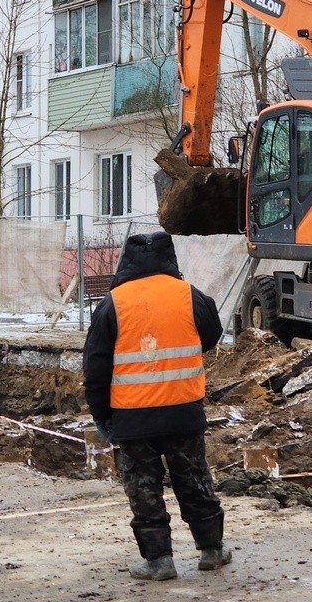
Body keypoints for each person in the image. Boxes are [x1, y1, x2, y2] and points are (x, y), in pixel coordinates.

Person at [83, 232, 230, 582]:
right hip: (183, 411)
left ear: (126, 262)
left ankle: (159, 561)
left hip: (133, 418)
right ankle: (211, 550)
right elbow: (211, 335)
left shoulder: (112, 303)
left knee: (144, 489)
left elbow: (96, 366)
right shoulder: (189, 295)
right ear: (170, 259)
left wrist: (102, 415)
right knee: (194, 479)